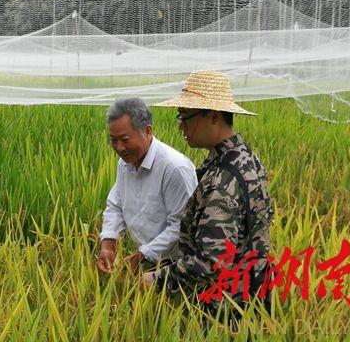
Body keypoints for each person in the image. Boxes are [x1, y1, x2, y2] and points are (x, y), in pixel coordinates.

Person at [140, 70, 273, 314]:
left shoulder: (222, 179)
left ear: (213, 116)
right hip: (254, 292)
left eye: (185, 118)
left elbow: (212, 262)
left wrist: (157, 280)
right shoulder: (245, 157)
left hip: (224, 308)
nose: (181, 127)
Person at [97, 98, 197, 274]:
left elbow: (182, 225)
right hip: (148, 259)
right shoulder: (126, 162)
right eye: (113, 140)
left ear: (147, 131)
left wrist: (141, 256)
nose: (119, 148)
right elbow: (116, 205)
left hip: (178, 267)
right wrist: (108, 243)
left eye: (125, 139)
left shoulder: (173, 168)